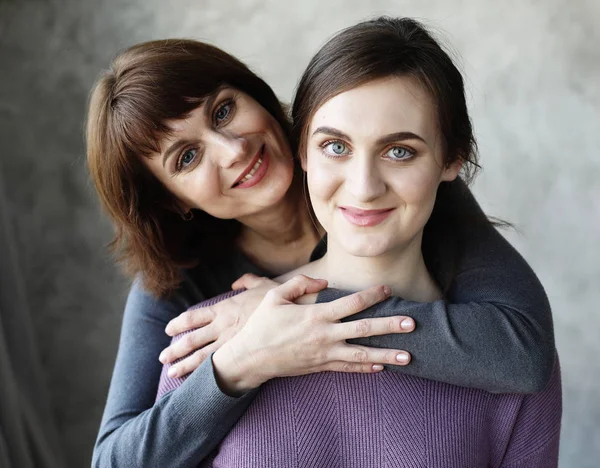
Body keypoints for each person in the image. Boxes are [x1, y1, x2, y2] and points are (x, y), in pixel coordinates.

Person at [86, 32, 555, 468]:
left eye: (223, 111)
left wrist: (295, 307)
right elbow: (114, 459)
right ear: (173, 199)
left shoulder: (401, 191)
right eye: (186, 157)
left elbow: (524, 352)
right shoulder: (177, 286)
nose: (231, 150)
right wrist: (244, 358)